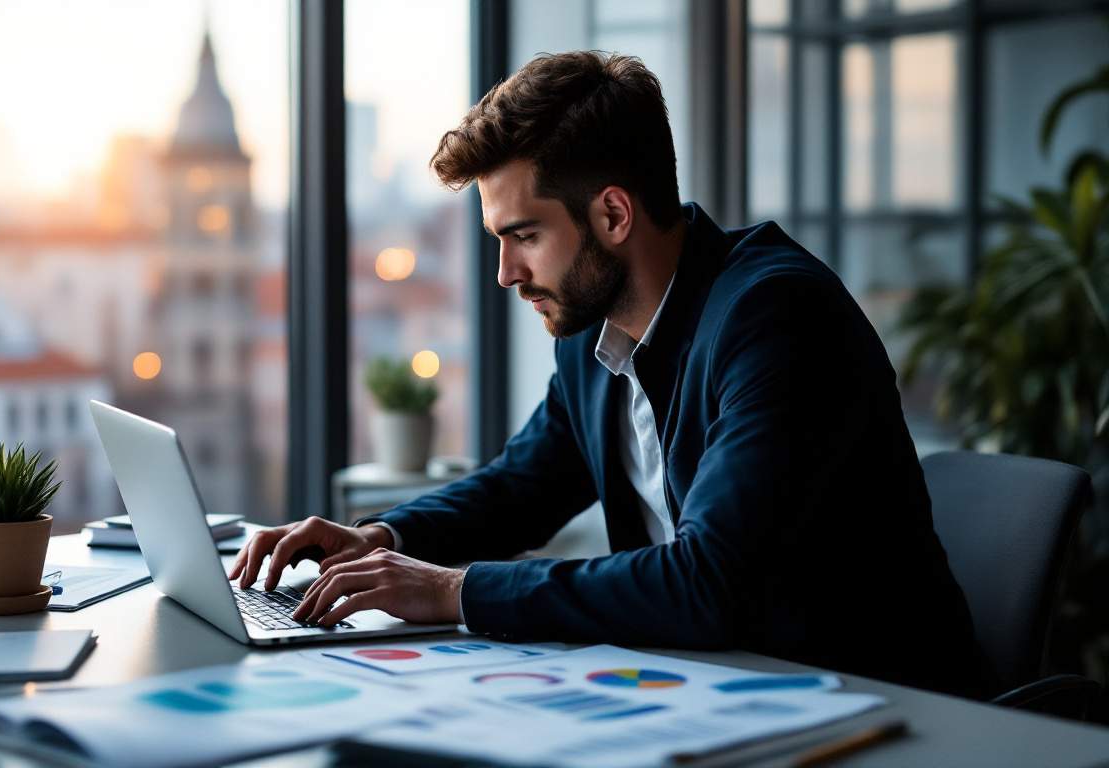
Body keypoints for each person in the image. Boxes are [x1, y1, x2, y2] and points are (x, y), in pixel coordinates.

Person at [232, 51, 981, 696]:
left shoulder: (776, 317)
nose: (505, 272)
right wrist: (381, 538)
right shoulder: (596, 331)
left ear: (613, 215)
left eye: (523, 235)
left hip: (874, 706)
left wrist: (453, 591)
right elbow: (521, 485)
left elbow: (707, 583)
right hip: (715, 692)